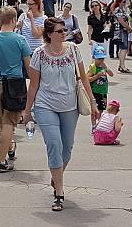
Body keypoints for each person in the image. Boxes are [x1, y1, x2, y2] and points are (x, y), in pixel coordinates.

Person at [23, 17, 100, 212]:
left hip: (70, 106)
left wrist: (93, 102)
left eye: (64, 30)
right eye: (59, 31)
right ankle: (59, 192)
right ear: (49, 34)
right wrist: (27, 111)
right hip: (45, 105)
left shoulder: (73, 50)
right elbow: (33, 85)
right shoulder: (39, 54)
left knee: (67, 148)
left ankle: (56, 176)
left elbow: (83, 78)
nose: (64, 33)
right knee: (54, 144)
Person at [0, 7, 32, 173]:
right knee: (8, 123)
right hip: (15, 85)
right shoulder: (20, 40)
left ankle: (10, 147)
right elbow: (28, 66)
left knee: (3, 120)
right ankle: (1, 161)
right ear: (14, 19)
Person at [87, 45, 113, 115]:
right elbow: (87, 79)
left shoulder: (104, 66)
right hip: (96, 92)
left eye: (102, 58)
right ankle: (94, 124)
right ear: (94, 58)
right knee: (95, 110)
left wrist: (106, 68)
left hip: (103, 92)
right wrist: (97, 76)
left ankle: (98, 124)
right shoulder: (93, 67)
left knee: (101, 110)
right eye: (99, 59)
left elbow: (111, 74)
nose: (101, 61)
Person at [112, 0, 132, 73]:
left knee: (122, 48)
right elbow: (121, 21)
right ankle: (122, 66)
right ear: (119, 2)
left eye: (125, 1)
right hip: (120, 30)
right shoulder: (118, 10)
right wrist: (129, 28)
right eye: (123, 1)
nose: (125, 3)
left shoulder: (122, 9)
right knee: (124, 48)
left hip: (122, 30)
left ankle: (121, 65)